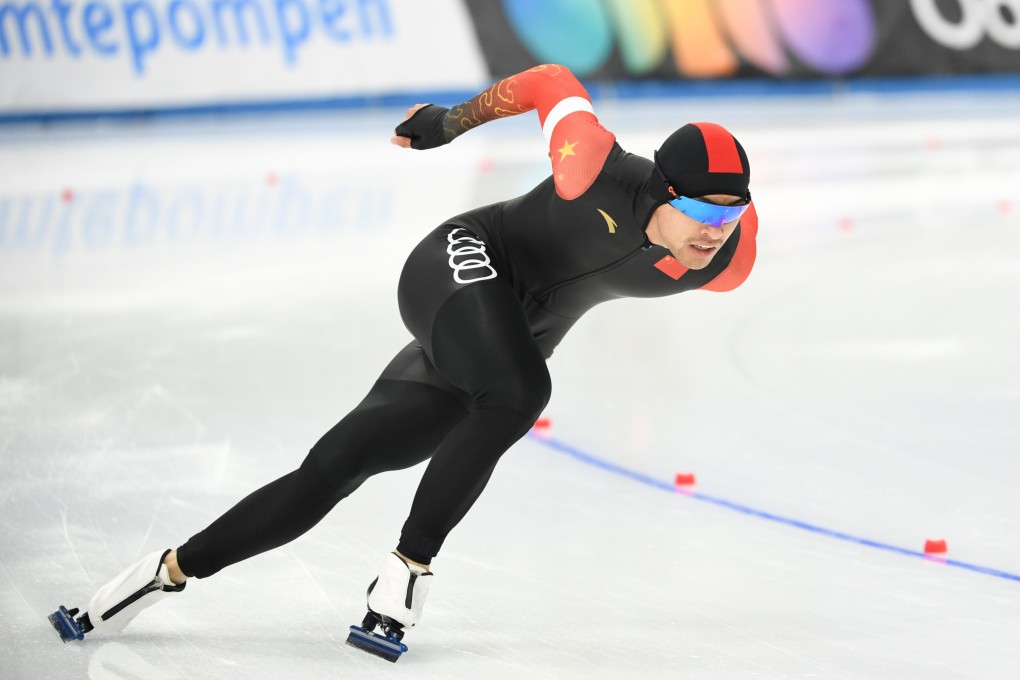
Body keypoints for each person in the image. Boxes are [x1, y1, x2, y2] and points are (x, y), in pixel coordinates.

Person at [50, 64, 758, 658]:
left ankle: (160, 573)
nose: (715, 235)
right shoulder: (591, 165)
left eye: (732, 218)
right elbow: (550, 82)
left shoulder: (726, 259)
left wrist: (729, 228)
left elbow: (729, 232)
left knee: (335, 466)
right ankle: (407, 571)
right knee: (519, 390)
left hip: (507, 336)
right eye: (705, 213)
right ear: (663, 191)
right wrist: (449, 123)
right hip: (461, 263)